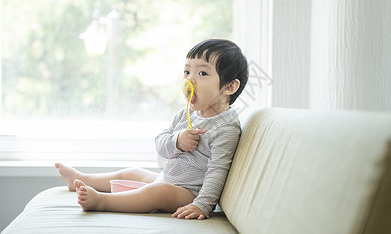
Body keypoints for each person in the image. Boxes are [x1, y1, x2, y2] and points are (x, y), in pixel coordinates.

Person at [56, 39, 249, 220]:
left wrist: (202, 204)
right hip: (167, 178)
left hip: (188, 193)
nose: (190, 80)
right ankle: (81, 179)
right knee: (133, 172)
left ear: (229, 86)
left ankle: (101, 201)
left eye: (202, 74)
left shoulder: (226, 128)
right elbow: (160, 144)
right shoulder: (186, 112)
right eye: (186, 72)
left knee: (157, 192)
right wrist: (177, 142)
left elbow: (218, 170)